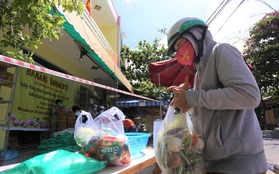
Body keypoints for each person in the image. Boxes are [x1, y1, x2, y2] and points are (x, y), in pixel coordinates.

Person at [166, 17, 268, 173]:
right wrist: (187, 101)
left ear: (195, 35)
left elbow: (249, 95)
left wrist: (193, 97)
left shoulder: (222, 51)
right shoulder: (199, 70)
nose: (178, 53)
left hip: (239, 165)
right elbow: (210, 106)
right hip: (216, 164)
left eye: (179, 45)